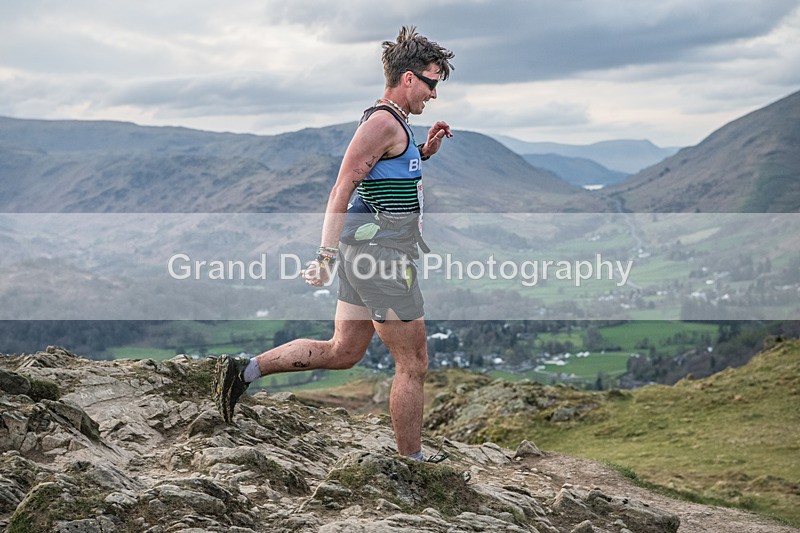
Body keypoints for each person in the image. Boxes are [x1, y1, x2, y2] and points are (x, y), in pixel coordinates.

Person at [213, 26, 454, 462]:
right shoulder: (382, 122)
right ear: (408, 78)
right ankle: (412, 463)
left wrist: (424, 151)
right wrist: (324, 256)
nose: (434, 94)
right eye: (431, 82)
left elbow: (385, 169)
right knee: (414, 363)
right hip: (381, 258)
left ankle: (243, 371)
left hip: (366, 253)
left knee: (343, 351)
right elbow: (342, 188)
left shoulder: (393, 123)